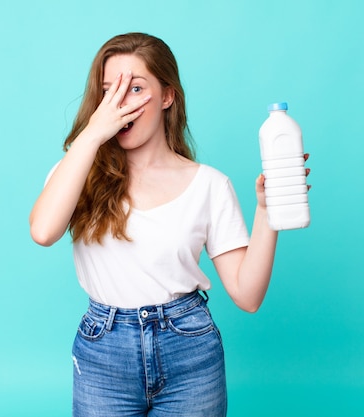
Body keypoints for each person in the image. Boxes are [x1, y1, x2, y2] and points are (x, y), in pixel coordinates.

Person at [29, 32, 309, 417]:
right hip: (104, 353)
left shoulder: (210, 184)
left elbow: (248, 295)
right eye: (109, 92)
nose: (119, 105)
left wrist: (267, 210)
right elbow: (43, 232)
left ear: (167, 96)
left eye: (135, 88)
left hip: (189, 349)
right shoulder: (77, 172)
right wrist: (92, 134)